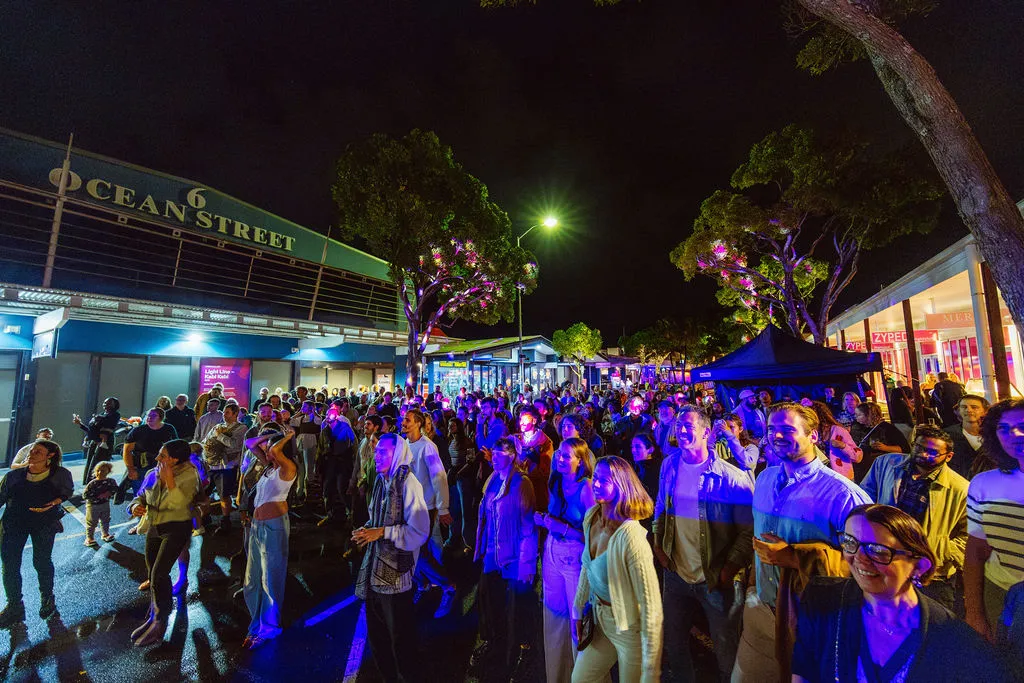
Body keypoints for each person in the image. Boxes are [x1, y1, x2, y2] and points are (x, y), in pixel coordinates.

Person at [792, 504, 1011, 682]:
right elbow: (804, 671)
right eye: (851, 542)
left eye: (877, 550)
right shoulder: (822, 600)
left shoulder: (952, 638)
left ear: (920, 566)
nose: (859, 558)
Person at [733, 402, 872, 682]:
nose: (777, 436)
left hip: (813, 621)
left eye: (788, 429)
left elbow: (870, 565)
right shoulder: (764, 479)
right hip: (761, 609)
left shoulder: (843, 496)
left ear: (814, 436)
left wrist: (797, 557)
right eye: (772, 429)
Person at [653, 406, 753, 683]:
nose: (681, 431)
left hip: (716, 577)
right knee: (675, 644)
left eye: (688, 426)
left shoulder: (732, 477)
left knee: (726, 649)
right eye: (678, 426)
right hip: (676, 573)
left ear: (706, 432)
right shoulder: (669, 465)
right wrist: (659, 548)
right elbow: (661, 507)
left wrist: (728, 568)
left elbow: (748, 530)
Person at [572, 456, 662, 683]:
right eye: (595, 478)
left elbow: (651, 605)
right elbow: (587, 566)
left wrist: (650, 670)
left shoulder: (631, 537)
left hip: (630, 629)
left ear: (621, 485)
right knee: (580, 679)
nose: (596, 484)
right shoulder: (591, 517)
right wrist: (577, 608)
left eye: (605, 480)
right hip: (601, 619)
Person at [860, 424, 968, 610]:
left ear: (948, 456)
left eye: (932, 452)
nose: (924, 454)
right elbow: (864, 498)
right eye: (919, 447)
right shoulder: (886, 464)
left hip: (931, 574)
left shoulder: (961, 488)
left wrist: (939, 551)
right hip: (884, 561)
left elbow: (968, 535)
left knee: (932, 625)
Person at [353, 433, 429, 682]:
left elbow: (419, 532)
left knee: (401, 640)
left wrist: (382, 532)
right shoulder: (381, 481)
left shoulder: (409, 483)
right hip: (375, 574)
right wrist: (367, 530)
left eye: (383, 452)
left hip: (396, 580)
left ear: (397, 454)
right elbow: (377, 519)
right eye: (376, 451)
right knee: (378, 637)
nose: (376, 455)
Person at [470, 438, 538, 680]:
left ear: (512, 456)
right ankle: (495, 643)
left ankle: (524, 649)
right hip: (492, 553)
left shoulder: (521, 484)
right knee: (490, 601)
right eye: (494, 453)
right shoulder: (493, 480)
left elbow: (529, 527)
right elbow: (485, 517)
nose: (494, 457)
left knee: (518, 607)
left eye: (500, 454)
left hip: (513, 557)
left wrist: (527, 564)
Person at [127, 439, 201, 646]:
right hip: (155, 526)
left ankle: (160, 622)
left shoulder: (189, 475)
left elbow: (181, 503)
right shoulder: (153, 473)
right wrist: (134, 507)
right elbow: (140, 496)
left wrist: (169, 480)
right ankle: (153, 616)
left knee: (160, 574)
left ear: (175, 459)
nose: (158, 458)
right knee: (152, 573)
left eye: (163, 455)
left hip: (177, 527)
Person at [536, 437, 596, 683]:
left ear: (580, 462)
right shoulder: (556, 482)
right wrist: (546, 522)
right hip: (552, 552)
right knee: (553, 620)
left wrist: (561, 527)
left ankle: (583, 676)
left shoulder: (587, 488)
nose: (559, 459)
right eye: (559, 454)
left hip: (575, 558)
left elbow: (593, 537)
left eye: (566, 456)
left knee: (577, 623)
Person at [965, 398, 1024, 643]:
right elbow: (977, 552)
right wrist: (975, 613)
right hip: (1001, 595)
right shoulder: (984, 484)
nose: (1015, 434)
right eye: (1003, 428)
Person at [0, 439, 73, 627]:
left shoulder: (61, 475)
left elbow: (67, 492)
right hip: (14, 523)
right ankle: (14, 606)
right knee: (9, 564)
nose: (32, 453)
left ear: (50, 456)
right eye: (31, 450)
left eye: (38, 452)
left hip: (43, 523)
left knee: (41, 562)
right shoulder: (14, 476)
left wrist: (56, 501)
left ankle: (47, 600)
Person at [242, 430, 296, 649]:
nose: (267, 449)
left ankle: (269, 628)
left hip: (274, 527)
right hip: (257, 526)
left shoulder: (288, 468)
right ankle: (256, 623)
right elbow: (250, 443)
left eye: (273, 446)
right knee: (252, 577)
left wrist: (285, 437)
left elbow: (274, 450)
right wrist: (273, 433)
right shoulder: (268, 467)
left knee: (270, 579)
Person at [403, 409, 457, 618]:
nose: (404, 423)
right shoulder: (405, 444)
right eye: (404, 420)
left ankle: (448, 586)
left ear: (418, 423)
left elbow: (439, 477)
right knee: (410, 551)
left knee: (418, 551)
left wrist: (442, 508)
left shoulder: (428, 447)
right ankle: (422, 584)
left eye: (408, 420)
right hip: (409, 506)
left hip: (425, 506)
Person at [204, 403, 246, 535]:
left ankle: (225, 520)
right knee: (204, 493)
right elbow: (207, 440)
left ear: (235, 414)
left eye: (227, 412)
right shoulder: (218, 427)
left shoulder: (241, 428)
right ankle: (206, 518)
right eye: (224, 412)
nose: (224, 415)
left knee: (224, 494)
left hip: (226, 466)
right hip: (211, 465)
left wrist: (219, 436)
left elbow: (234, 445)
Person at [123, 407, 178, 496]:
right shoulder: (138, 430)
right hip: (141, 467)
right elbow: (127, 451)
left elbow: (176, 448)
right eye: (148, 415)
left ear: (161, 417)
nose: (149, 418)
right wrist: (131, 469)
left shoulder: (169, 429)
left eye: (153, 416)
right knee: (140, 495)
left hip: (162, 467)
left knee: (159, 495)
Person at [852, 401, 910, 482]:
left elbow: (905, 449)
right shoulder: (858, 427)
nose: (856, 417)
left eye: (859, 415)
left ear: (869, 415)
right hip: (861, 470)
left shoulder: (887, 428)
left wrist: (885, 447)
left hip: (880, 470)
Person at [808, 400, 862, 481]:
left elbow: (858, 456)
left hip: (842, 479)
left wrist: (843, 446)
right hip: (821, 479)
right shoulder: (810, 433)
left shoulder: (838, 431)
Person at [513, 406, 554, 512]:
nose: (521, 422)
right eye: (520, 419)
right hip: (517, 492)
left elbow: (545, 472)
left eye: (525, 419)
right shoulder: (515, 439)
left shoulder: (545, 442)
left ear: (534, 420)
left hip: (536, 493)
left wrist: (531, 463)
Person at [73, 397, 121, 485]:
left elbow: (108, 426)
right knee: (90, 464)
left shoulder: (115, 415)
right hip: (94, 441)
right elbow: (91, 430)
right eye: (104, 403)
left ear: (115, 405)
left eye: (109, 403)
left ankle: (98, 486)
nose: (105, 405)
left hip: (104, 443)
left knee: (99, 465)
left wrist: (98, 420)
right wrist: (80, 424)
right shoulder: (102, 414)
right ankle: (89, 485)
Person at [945, 393, 990, 478]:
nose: (968, 410)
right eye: (964, 407)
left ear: (984, 411)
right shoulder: (948, 435)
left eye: (974, 407)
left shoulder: (994, 435)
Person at [290, 400, 322, 504]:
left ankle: (309, 492)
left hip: (310, 442)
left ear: (310, 408)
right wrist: (299, 413)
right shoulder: (301, 418)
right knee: (300, 467)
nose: (302, 409)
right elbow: (291, 420)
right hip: (301, 442)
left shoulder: (316, 418)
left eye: (304, 407)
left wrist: (314, 411)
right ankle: (300, 492)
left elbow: (320, 421)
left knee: (309, 466)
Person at [711, 413, 759, 478]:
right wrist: (712, 435)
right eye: (725, 428)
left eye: (731, 427)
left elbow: (748, 464)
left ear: (740, 429)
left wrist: (729, 435)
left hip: (743, 487)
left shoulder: (750, 448)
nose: (727, 430)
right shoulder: (718, 446)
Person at [83, 461, 119, 546]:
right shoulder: (92, 483)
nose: (100, 472)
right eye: (98, 470)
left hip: (105, 504)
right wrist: (96, 497)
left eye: (103, 470)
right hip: (92, 506)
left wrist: (109, 493)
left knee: (105, 520)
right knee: (91, 522)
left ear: (108, 471)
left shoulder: (110, 481)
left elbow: (115, 489)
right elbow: (85, 495)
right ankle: (89, 538)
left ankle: (105, 534)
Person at [629, 433, 662, 505]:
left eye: (638, 447)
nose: (633, 450)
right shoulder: (638, 467)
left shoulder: (656, 470)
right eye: (632, 447)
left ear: (650, 450)